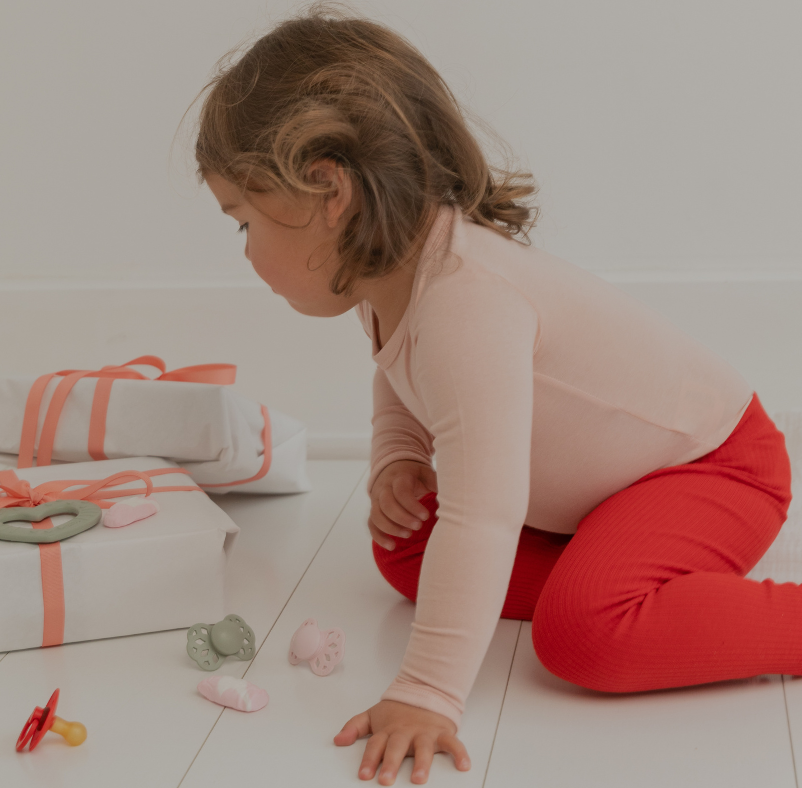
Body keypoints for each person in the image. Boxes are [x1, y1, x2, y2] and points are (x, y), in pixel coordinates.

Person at [186, 3, 796, 784]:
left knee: (580, 636)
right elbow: (400, 379)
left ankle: (686, 604)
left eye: (243, 221)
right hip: (602, 493)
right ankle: (642, 584)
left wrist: (428, 690)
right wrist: (397, 461)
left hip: (715, 469)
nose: (245, 251)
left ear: (326, 191)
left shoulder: (466, 301)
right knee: (406, 545)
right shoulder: (386, 277)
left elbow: (483, 512)